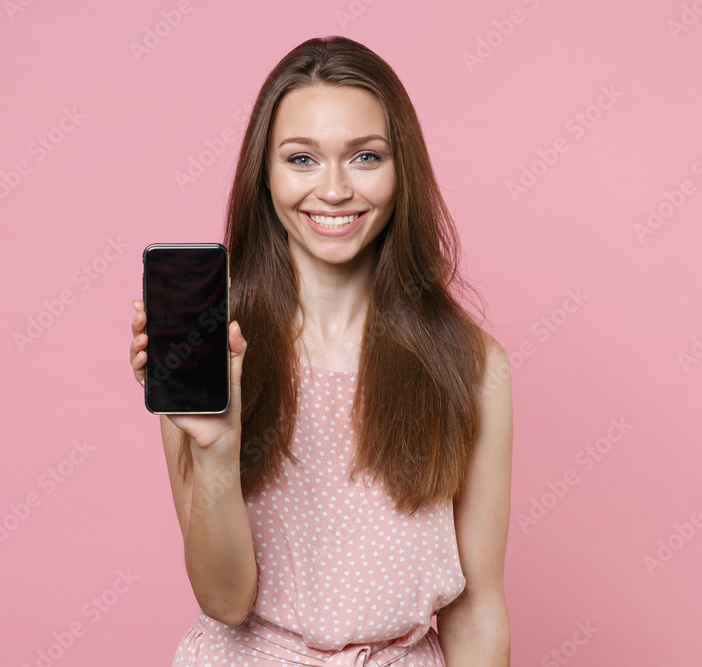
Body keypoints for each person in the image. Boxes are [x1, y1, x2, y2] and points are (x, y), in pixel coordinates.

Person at [130, 35, 513, 666]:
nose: (333, 190)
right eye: (302, 160)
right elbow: (225, 601)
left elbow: (478, 610)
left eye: (364, 157)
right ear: (266, 173)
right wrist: (217, 447)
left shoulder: (472, 368)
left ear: (401, 169)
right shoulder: (213, 350)